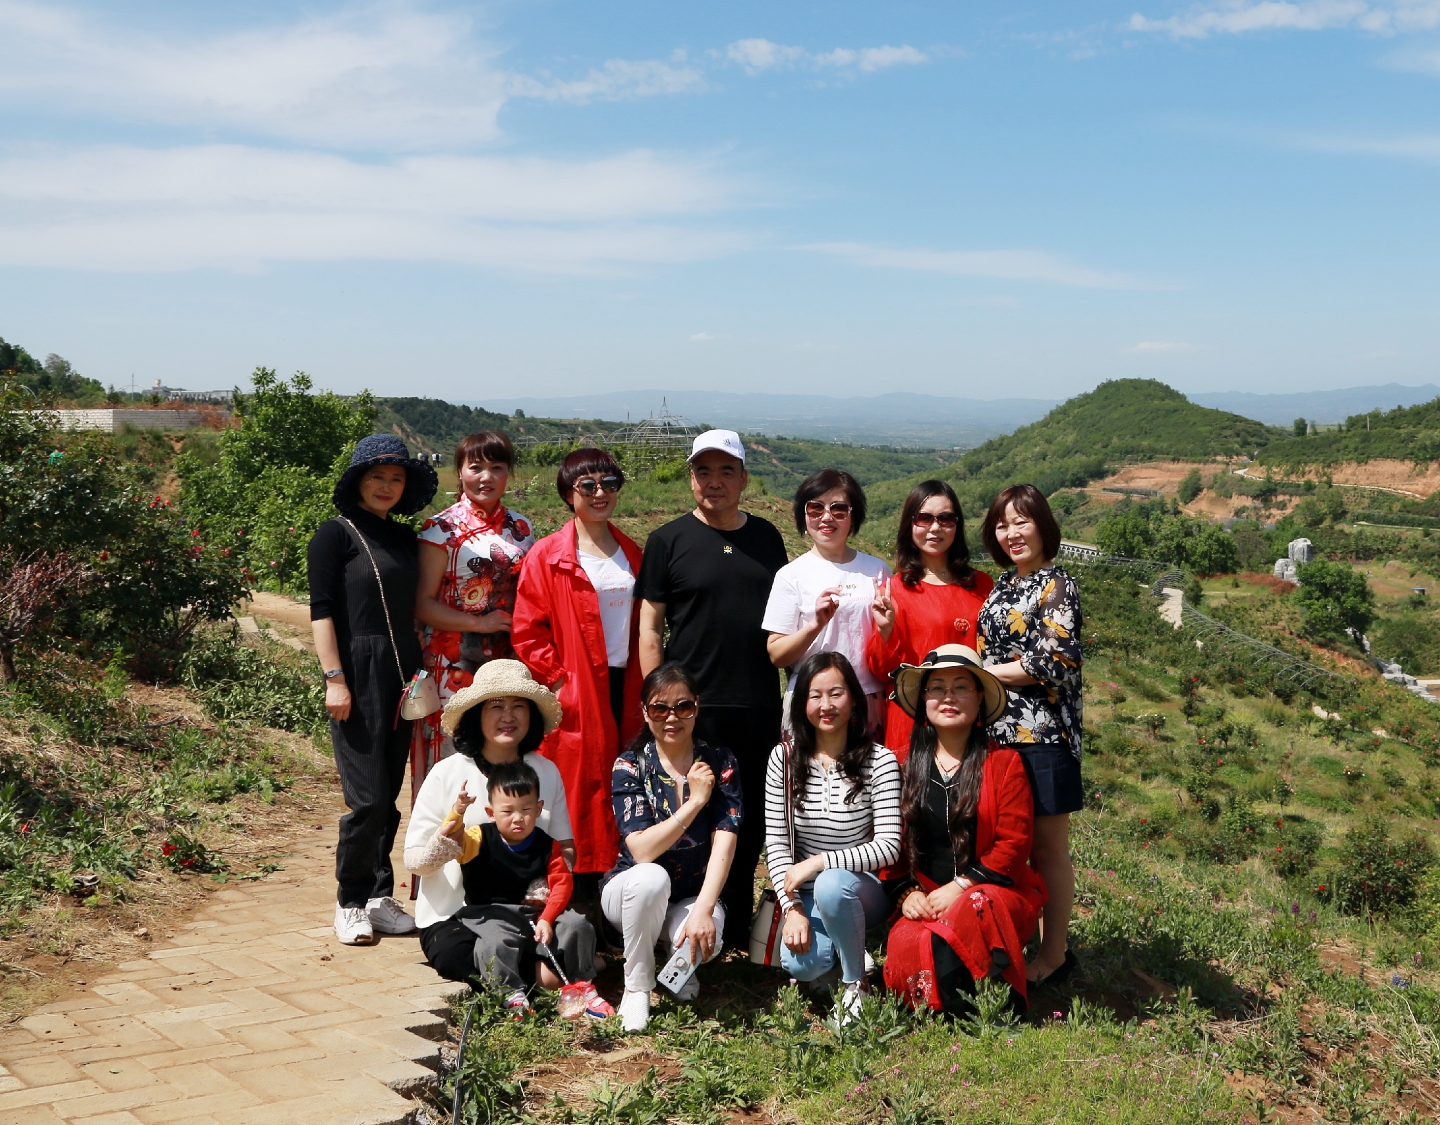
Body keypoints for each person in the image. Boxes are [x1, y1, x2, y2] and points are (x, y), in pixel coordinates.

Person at [636, 429, 787, 947]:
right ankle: (682, 921)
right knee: (687, 811)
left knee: (749, 820)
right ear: (691, 477)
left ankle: (736, 924)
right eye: (704, 471)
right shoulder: (667, 540)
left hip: (756, 702)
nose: (714, 482)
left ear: (744, 478)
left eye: (727, 471)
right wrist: (655, 703)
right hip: (689, 707)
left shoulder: (768, 536)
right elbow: (650, 626)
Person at [308, 434, 437, 945]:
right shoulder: (334, 535)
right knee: (365, 798)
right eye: (377, 476)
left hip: (403, 670)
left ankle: (381, 896)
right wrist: (334, 678)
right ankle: (350, 901)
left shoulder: (406, 540)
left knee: (389, 791)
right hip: (357, 668)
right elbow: (321, 612)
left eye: (396, 478)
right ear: (359, 480)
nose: (387, 486)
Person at [881, 645, 1047, 1016]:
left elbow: (1013, 845)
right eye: (937, 688)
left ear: (980, 700)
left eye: (961, 687)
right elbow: (887, 842)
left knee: (974, 908)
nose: (948, 697)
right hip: (926, 895)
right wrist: (906, 894)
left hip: (993, 894)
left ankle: (975, 1002)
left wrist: (961, 886)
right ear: (924, 700)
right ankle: (956, 1000)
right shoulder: (900, 765)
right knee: (910, 941)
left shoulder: (1005, 764)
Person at [512, 449, 644, 894]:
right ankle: (573, 890)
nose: (600, 493)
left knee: (623, 781)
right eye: (587, 486)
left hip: (627, 683)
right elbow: (528, 631)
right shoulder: (549, 556)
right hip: (578, 686)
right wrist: (561, 681)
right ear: (570, 494)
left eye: (609, 483)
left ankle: (617, 888)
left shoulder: (633, 554)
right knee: (576, 787)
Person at [976, 484, 1083, 986]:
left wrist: (983, 673)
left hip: (1041, 736)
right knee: (1010, 845)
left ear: (1042, 525)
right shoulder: (1002, 584)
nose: (1012, 533)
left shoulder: (1057, 585)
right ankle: (1014, 937)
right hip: (997, 735)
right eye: (1002, 524)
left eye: (1022, 521)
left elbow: (1053, 662)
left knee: (1047, 850)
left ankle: (1055, 952)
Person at [404, 660, 581, 956]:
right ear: (476, 715)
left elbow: (566, 849)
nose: (508, 717)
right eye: (496, 706)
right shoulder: (446, 773)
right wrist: (444, 845)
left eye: (519, 706)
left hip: (532, 914)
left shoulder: (546, 772)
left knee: (576, 935)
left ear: (532, 715)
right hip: (458, 915)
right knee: (461, 954)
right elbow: (414, 861)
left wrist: (545, 886)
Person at [602, 664, 744, 1032]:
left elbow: (725, 842)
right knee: (651, 877)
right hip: (631, 891)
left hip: (690, 894)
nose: (672, 717)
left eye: (683, 707)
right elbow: (642, 851)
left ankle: (672, 960)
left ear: (696, 707)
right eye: (659, 708)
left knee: (708, 929)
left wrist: (703, 909)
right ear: (645, 712)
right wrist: (695, 802)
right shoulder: (630, 765)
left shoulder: (721, 761)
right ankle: (637, 986)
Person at [764, 652, 901, 1025]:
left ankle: (857, 984)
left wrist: (820, 862)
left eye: (836, 693)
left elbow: (889, 847)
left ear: (854, 699)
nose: (826, 706)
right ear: (801, 702)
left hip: (858, 889)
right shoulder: (784, 759)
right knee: (803, 966)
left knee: (830, 883)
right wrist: (791, 909)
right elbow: (776, 844)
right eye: (815, 695)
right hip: (805, 892)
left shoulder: (880, 760)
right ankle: (841, 952)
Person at [414, 760, 610, 1019]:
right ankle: (510, 995)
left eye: (526, 809)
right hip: (491, 914)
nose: (518, 818)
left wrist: (548, 919)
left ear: (539, 809)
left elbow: (562, 883)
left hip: (536, 915)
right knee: (494, 942)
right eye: (507, 811)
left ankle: (582, 985)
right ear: (491, 812)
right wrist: (457, 812)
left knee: (578, 925)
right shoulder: (478, 838)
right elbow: (455, 839)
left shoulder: (547, 845)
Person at [413, 431, 535, 794]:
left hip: (507, 661)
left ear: (508, 474)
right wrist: (477, 623)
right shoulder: (441, 529)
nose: (486, 477)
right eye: (475, 467)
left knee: (503, 753)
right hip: (452, 665)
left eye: (496, 467)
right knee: (453, 757)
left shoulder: (522, 528)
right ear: (460, 472)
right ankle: (443, 843)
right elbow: (422, 602)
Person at [867, 480, 993, 761]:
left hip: (970, 718)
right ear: (909, 525)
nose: (935, 528)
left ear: (957, 525)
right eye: (924, 518)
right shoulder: (895, 590)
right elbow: (881, 670)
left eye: (945, 518)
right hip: (913, 723)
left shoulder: (982, 585)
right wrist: (885, 631)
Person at [763, 469, 890, 732]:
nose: (826, 517)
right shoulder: (791, 575)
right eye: (815, 508)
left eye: (839, 509)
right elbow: (777, 654)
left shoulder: (876, 570)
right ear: (803, 514)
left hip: (867, 697)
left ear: (853, 515)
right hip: (810, 700)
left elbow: (890, 641)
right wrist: (814, 625)